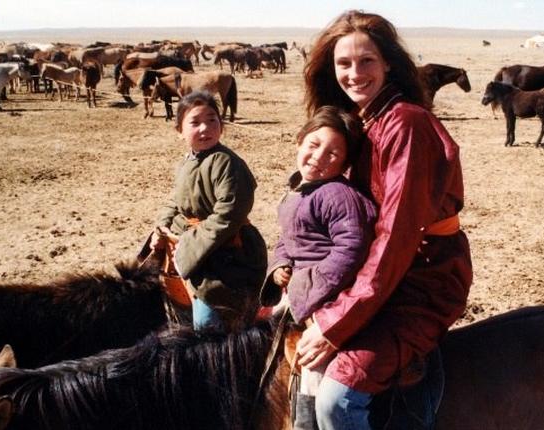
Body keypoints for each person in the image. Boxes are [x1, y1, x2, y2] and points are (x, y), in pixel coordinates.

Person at [296, 10, 474, 429]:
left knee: (337, 400)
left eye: (367, 61)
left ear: (389, 62)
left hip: (421, 279)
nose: (355, 74)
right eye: (344, 63)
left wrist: (335, 326)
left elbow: (396, 237)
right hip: (377, 274)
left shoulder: (406, 125)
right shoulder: (362, 123)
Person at [259, 105, 377, 429]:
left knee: (313, 363)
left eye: (332, 153)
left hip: (328, 297)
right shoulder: (298, 189)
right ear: (300, 141)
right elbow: (288, 239)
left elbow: (350, 251)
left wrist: (307, 290)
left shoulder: (338, 195)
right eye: (313, 145)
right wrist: (279, 265)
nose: (318, 157)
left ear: (344, 163)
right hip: (300, 290)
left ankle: (307, 423)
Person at [150, 90, 267, 333]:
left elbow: (229, 214)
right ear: (179, 131)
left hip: (227, 252)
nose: (205, 128)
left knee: (208, 321)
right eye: (195, 122)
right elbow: (176, 198)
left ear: (221, 126)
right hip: (194, 245)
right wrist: (161, 226)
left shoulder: (227, 163)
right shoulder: (187, 162)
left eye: (212, 120)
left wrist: (188, 246)